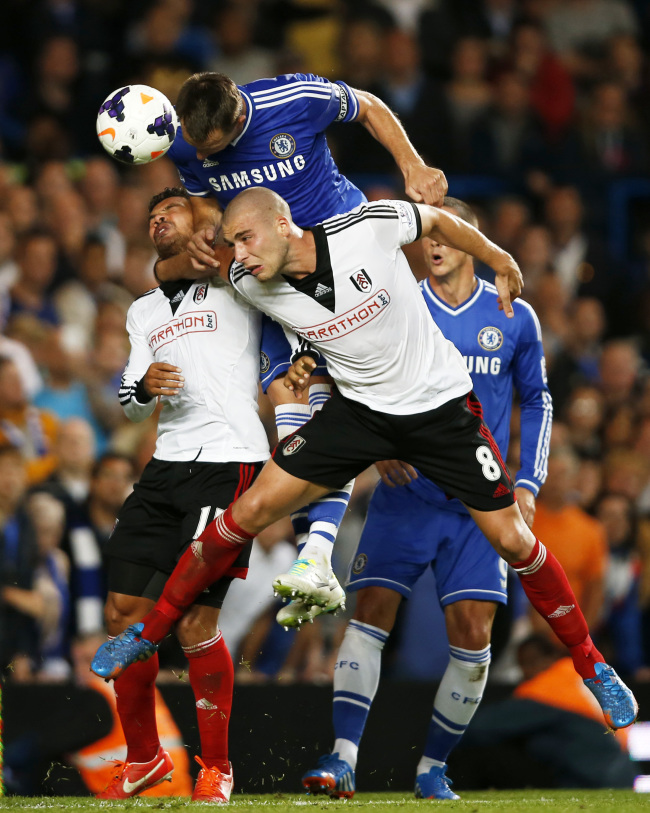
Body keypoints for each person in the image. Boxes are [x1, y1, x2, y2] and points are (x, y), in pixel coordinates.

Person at [92, 188, 638, 751]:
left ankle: (594, 666)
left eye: (246, 240)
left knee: (514, 540)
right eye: (232, 246)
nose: (241, 256)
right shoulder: (252, 281)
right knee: (248, 510)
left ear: (284, 224)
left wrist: (500, 258)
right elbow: (169, 270)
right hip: (362, 415)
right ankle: (146, 633)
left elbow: (440, 221)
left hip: (438, 410)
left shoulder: (368, 228)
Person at [153, 70, 449, 625]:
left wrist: (411, 164)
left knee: (340, 399)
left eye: (214, 147)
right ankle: (312, 557)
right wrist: (202, 228)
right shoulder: (189, 145)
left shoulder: (294, 99)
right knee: (286, 397)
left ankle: (315, 554)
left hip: (343, 256)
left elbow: (367, 105)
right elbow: (209, 207)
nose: (203, 155)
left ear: (238, 117)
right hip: (271, 276)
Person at [301, 196, 552, 799]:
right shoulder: (397, 301)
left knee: (472, 634)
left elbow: (537, 398)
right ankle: (342, 760)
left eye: (446, 234)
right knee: (370, 614)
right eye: (428, 237)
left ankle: (433, 767)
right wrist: (376, 443)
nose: (434, 245)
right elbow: (343, 370)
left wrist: (528, 482)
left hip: (477, 505)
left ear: (470, 238)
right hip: (405, 494)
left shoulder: (513, 312)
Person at [96, 187, 270, 802]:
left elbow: (237, 254)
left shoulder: (239, 285)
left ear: (204, 223)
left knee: (197, 620)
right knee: (120, 612)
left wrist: (218, 243)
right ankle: (144, 758)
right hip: (166, 463)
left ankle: (217, 768)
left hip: (229, 462)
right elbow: (125, 389)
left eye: (170, 211)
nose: (157, 220)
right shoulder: (143, 310)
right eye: (151, 216)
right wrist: (142, 383)